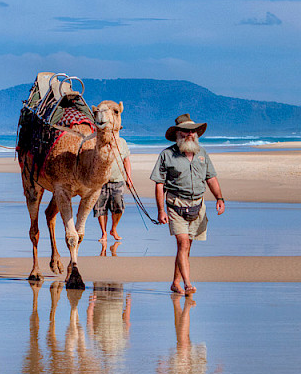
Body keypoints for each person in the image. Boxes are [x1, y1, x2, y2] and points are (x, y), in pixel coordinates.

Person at [150, 114, 225, 295]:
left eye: (192, 131)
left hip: (198, 206)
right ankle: (188, 284)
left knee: (186, 247)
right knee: (183, 244)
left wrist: (220, 199)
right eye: (185, 131)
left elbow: (211, 178)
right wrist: (161, 211)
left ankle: (175, 283)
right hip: (175, 205)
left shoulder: (202, 154)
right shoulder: (167, 155)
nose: (189, 134)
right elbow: (159, 185)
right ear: (178, 133)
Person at [94, 127, 132, 242]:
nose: (113, 132)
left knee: (118, 207)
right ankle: (104, 233)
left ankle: (113, 229)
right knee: (100, 208)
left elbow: (126, 161)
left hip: (118, 179)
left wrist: (129, 177)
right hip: (101, 181)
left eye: (115, 130)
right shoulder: (99, 142)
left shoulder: (122, 142)